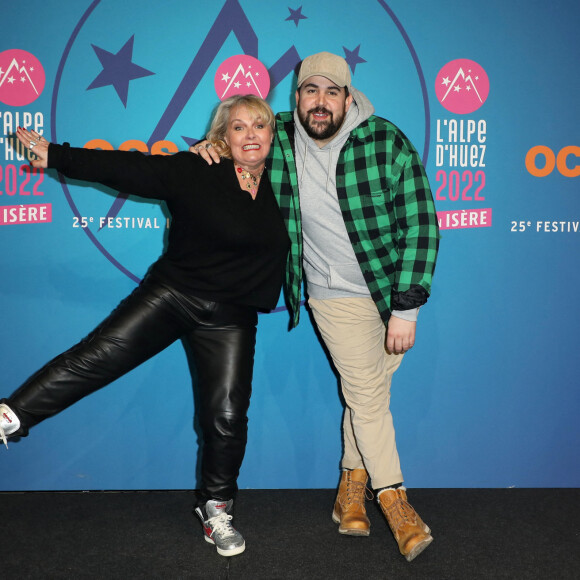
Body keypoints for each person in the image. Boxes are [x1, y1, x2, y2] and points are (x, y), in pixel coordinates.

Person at [0, 94, 289, 558]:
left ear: (273, 134)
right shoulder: (197, 167)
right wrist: (57, 155)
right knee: (96, 357)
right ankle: (10, 417)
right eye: (239, 127)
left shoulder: (284, 181)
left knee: (228, 417)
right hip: (173, 295)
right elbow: (130, 168)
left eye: (260, 125)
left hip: (232, 316)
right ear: (222, 135)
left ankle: (215, 508)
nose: (251, 135)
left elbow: (320, 130)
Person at [193, 52, 440, 562]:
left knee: (366, 393)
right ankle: (395, 502)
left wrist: (406, 307)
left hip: (390, 292)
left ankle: (350, 488)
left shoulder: (385, 140)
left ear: (349, 97)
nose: (320, 102)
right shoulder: (277, 134)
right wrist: (209, 147)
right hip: (333, 294)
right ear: (296, 98)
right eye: (310, 91)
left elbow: (420, 222)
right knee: (369, 398)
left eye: (332, 91)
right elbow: (237, 133)